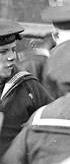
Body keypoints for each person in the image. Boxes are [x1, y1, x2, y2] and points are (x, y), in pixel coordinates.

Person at [0, 20, 51, 154]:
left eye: (13, 50)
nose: (12, 57)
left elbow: (53, 121)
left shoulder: (27, 84)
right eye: (3, 52)